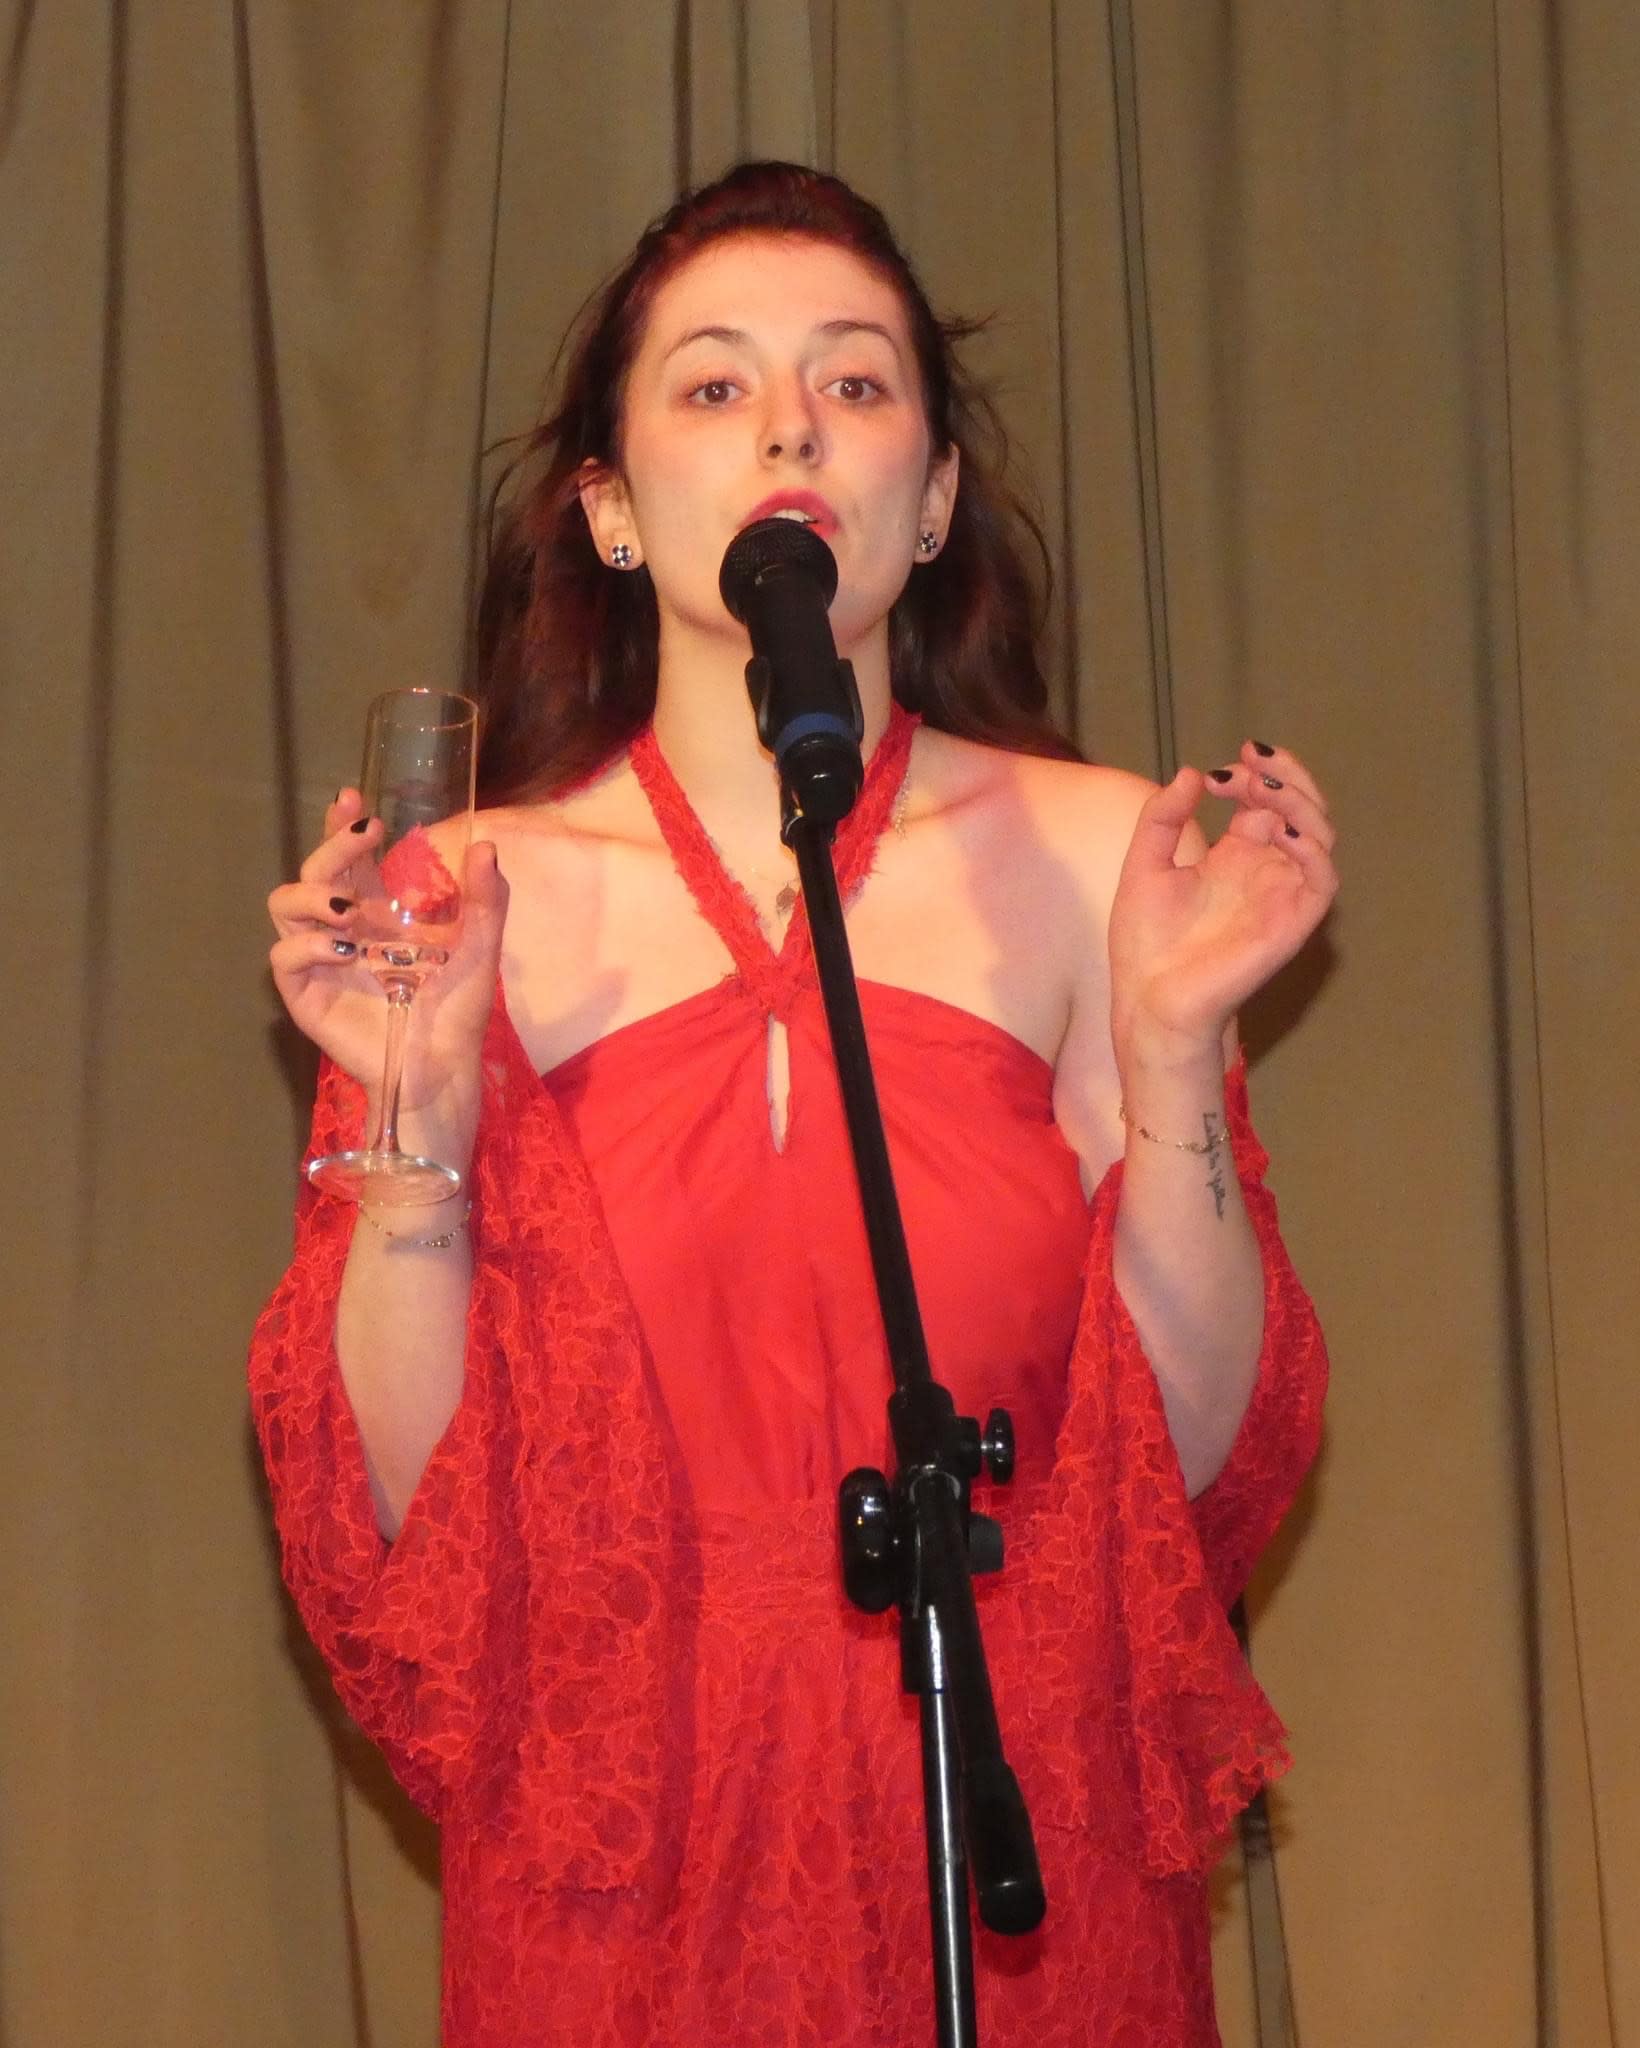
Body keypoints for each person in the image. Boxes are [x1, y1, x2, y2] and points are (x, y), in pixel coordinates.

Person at [252, 159, 1333, 2048]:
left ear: (932, 498)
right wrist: (414, 1138)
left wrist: (1170, 1053)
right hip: (621, 1863)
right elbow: (420, 1531)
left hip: (1013, 1838)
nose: (787, 428)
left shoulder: (1103, 862)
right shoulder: (462, 896)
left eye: (851, 380)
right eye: (714, 383)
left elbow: (1188, 1476)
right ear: (609, 508)